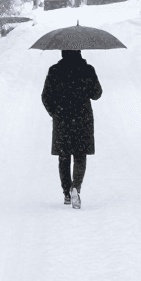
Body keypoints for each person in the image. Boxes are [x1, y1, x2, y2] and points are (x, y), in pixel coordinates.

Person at [40, 48, 102, 209]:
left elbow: (46, 96)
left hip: (62, 119)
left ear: (62, 52)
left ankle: (66, 193)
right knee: (80, 155)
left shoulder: (55, 71)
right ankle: (76, 187)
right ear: (79, 51)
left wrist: (54, 112)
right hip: (83, 119)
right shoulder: (87, 70)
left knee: (64, 157)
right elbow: (97, 94)